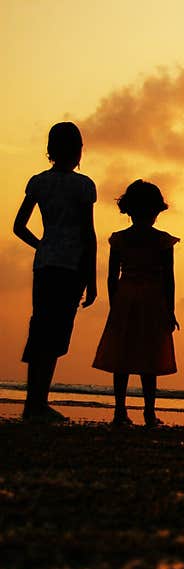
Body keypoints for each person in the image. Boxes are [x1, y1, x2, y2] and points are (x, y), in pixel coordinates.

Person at [12, 122, 97, 422]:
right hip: (70, 267)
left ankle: (32, 401)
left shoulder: (39, 182)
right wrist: (93, 279)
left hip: (46, 264)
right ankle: (38, 402)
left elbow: (18, 226)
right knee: (56, 332)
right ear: (78, 151)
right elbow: (89, 234)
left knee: (41, 329)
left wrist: (41, 245)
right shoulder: (83, 185)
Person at [93, 180, 179, 428]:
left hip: (126, 296)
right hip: (153, 298)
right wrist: (170, 310)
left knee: (122, 356)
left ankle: (120, 411)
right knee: (149, 357)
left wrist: (114, 304)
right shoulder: (162, 241)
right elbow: (168, 278)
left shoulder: (120, 240)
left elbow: (112, 277)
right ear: (155, 211)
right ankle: (149, 412)